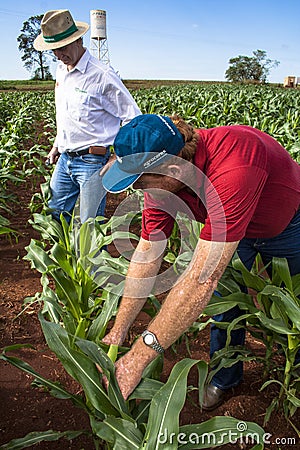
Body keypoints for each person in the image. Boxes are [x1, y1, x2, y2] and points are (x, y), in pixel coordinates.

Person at [100, 113, 300, 406]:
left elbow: (201, 278)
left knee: (295, 299)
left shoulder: (234, 165)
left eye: (140, 181)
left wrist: (136, 360)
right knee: (227, 304)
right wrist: (118, 331)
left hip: (288, 225)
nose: (138, 190)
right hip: (237, 233)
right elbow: (146, 255)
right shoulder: (161, 184)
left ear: (172, 169)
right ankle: (224, 377)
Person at [33, 9, 141, 223]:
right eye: (53, 49)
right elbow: (67, 113)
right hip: (65, 159)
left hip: (92, 162)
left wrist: (117, 156)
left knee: (89, 227)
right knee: (54, 219)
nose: (57, 54)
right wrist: (57, 146)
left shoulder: (102, 75)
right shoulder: (61, 70)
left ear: (77, 40)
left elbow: (134, 119)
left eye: (61, 47)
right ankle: (65, 257)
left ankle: (92, 258)